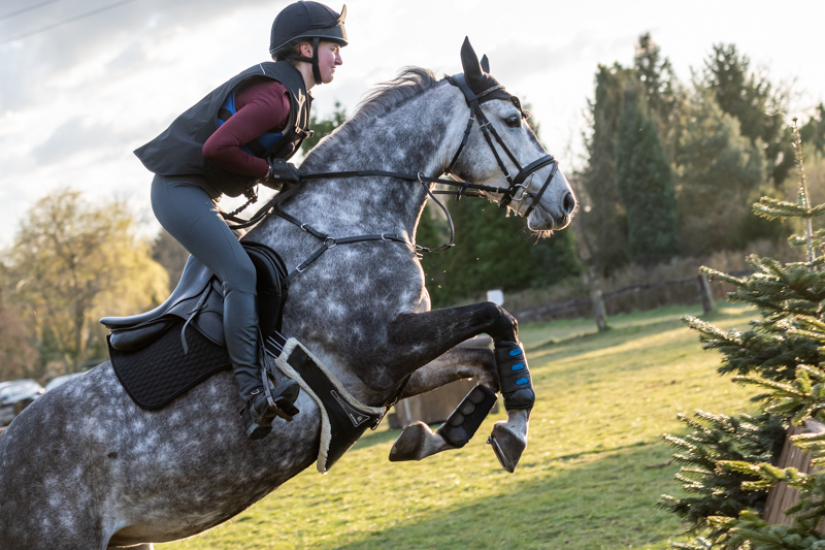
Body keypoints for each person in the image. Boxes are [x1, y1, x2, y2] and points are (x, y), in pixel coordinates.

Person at [134, 1, 347, 439]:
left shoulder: (295, 96)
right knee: (240, 271)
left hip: (199, 194)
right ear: (306, 48)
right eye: (335, 48)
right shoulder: (276, 98)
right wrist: (269, 171)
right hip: (178, 191)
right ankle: (253, 394)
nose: (340, 58)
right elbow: (217, 149)